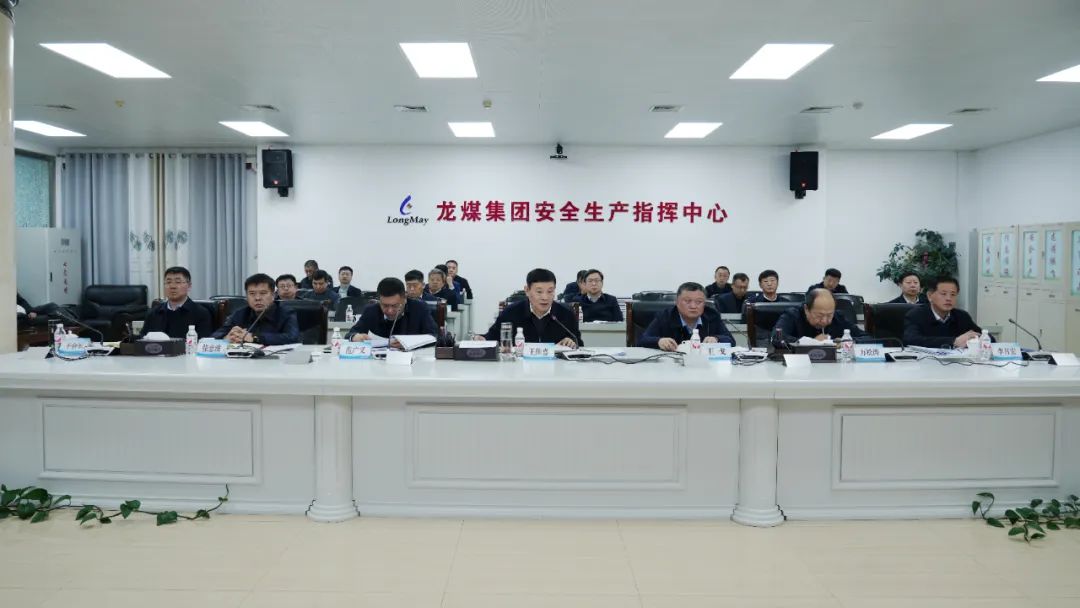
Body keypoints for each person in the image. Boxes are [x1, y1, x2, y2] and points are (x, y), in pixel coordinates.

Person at [484, 268, 582, 347]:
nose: (545, 297)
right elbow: (491, 339)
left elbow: (579, 344)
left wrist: (572, 343)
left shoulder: (566, 314)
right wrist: (481, 339)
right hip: (519, 365)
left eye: (550, 291)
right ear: (527, 290)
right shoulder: (510, 312)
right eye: (539, 292)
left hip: (556, 365)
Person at [639, 282, 734, 351]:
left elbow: (731, 341)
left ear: (704, 303)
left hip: (703, 366)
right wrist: (659, 341)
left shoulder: (712, 315)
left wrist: (717, 339)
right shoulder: (665, 316)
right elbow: (642, 340)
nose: (693, 306)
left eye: (699, 302)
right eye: (687, 301)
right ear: (677, 302)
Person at [347, 277, 437, 348]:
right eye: (385, 305)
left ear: (405, 299)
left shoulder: (419, 308)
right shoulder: (371, 310)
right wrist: (355, 337)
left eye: (395, 306)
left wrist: (409, 343)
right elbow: (350, 334)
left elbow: (434, 336)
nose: (390, 311)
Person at [213, 273, 300, 345]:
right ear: (246, 296)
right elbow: (215, 335)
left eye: (263, 293)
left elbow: (292, 337)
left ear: (273, 295)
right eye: (252, 293)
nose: (257, 298)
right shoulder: (240, 314)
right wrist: (226, 337)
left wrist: (254, 337)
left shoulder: (286, 312)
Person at [903, 276, 988, 349]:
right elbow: (910, 340)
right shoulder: (916, 315)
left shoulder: (962, 316)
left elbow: (987, 337)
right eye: (943, 294)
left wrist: (977, 338)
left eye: (953, 294)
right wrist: (954, 341)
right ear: (930, 296)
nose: (948, 298)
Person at [772, 288, 867, 348]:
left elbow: (867, 338)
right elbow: (777, 337)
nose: (825, 321)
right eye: (819, 316)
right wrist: (811, 342)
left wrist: (847, 342)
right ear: (806, 309)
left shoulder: (838, 317)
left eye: (829, 315)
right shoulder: (793, 315)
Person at [140, 266, 213, 339]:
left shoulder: (201, 313)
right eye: (168, 282)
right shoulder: (153, 313)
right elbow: (142, 339)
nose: (172, 286)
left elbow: (203, 342)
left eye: (178, 282)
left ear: (189, 286)